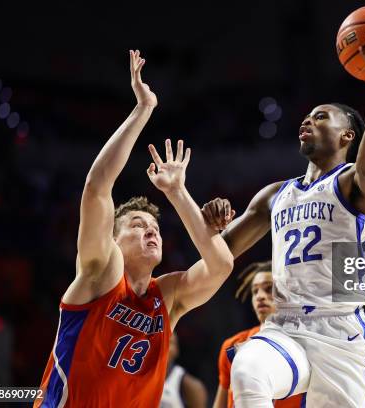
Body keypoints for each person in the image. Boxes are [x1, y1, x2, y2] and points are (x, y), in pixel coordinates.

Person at [202, 30, 365, 407]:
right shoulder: (274, 195)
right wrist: (208, 224)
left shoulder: (353, 183)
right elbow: (220, 252)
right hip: (285, 326)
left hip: (339, 332)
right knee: (247, 369)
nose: (307, 121)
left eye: (320, 117)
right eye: (306, 117)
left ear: (347, 135)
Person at [35, 50, 234, 407]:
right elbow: (97, 187)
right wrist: (143, 109)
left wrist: (177, 192)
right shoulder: (102, 273)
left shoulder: (167, 297)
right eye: (138, 225)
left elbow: (221, 266)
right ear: (112, 240)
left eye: (155, 226)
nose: (151, 231)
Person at [213, 261, 303, 408]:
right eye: (255, 291)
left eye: (269, 289)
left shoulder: (304, 342)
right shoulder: (232, 345)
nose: (260, 296)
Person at [161, 333, 208, 408]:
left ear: (176, 350)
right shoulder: (138, 377)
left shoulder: (190, 386)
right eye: (158, 342)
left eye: (169, 342)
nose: (163, 346)